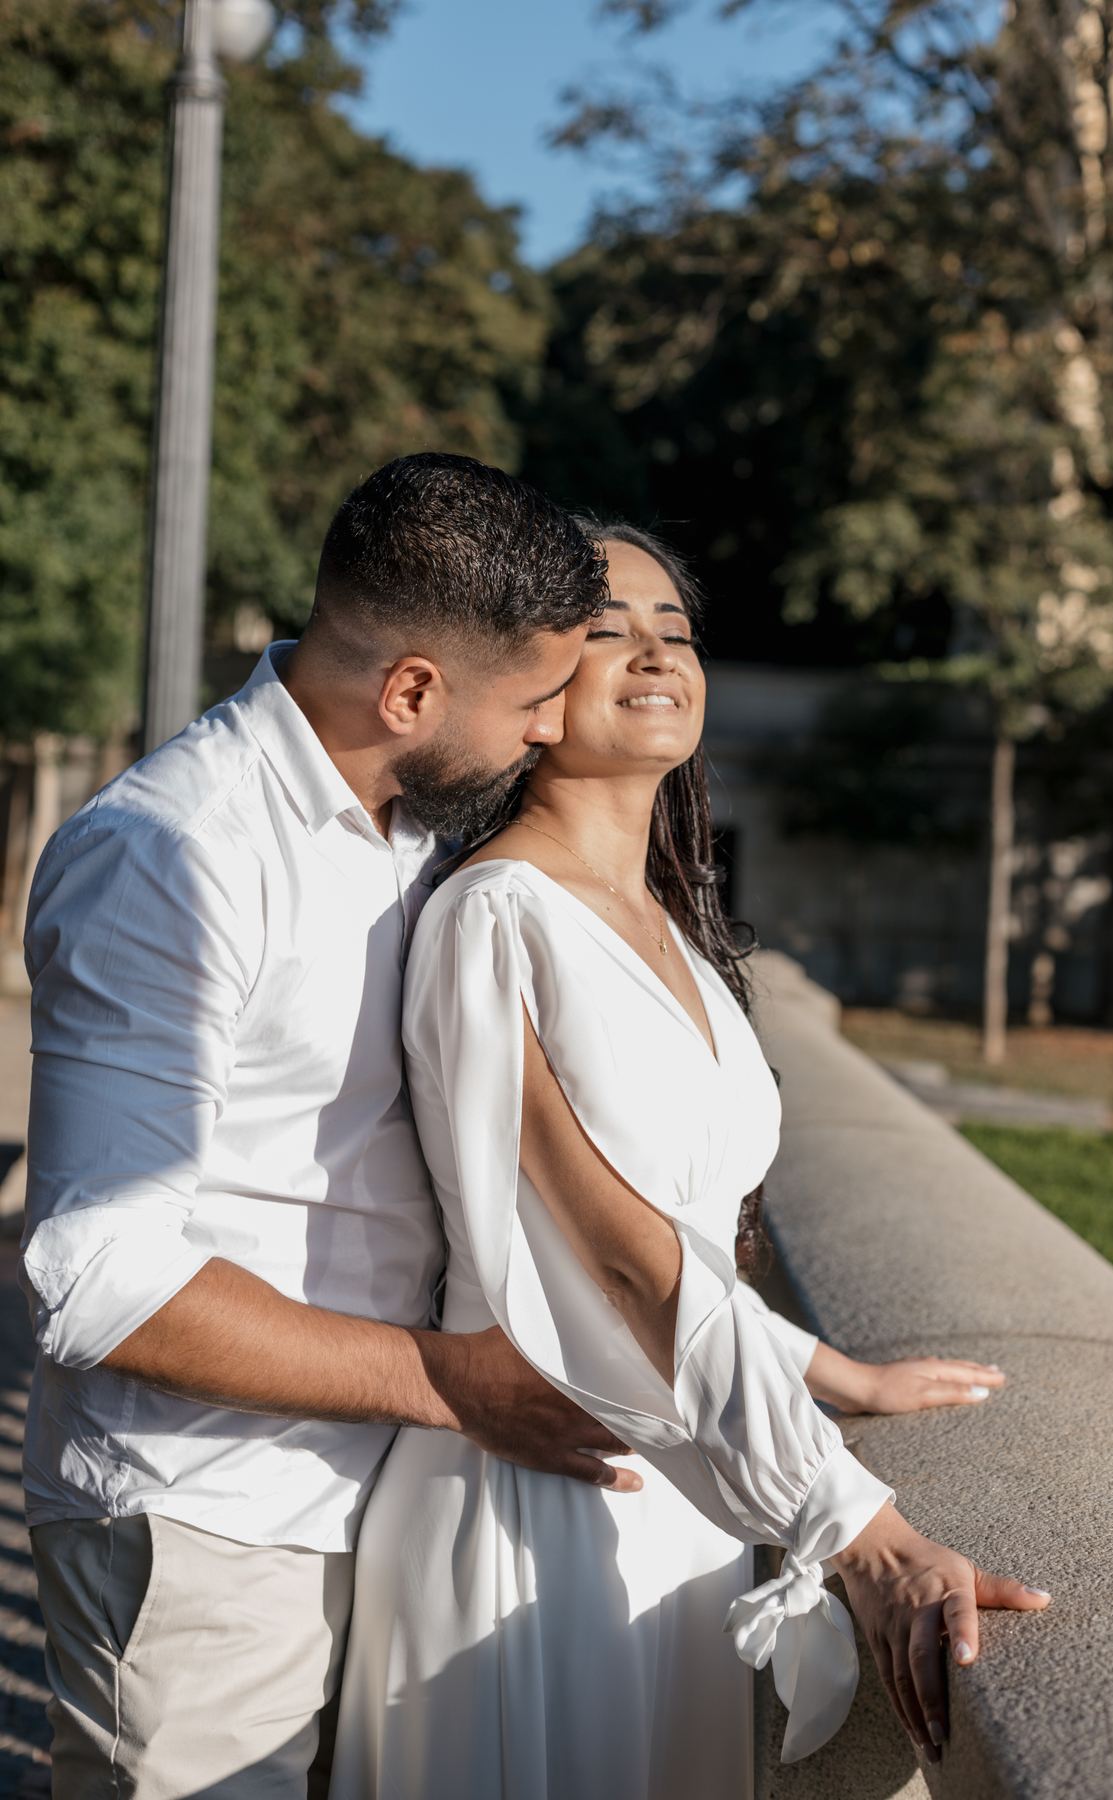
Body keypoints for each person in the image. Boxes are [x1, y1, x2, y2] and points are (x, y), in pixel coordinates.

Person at [329, 523, 1050, 1800]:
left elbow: (692, 1229)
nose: (654, 649)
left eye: (676, 627)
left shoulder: (667, 924)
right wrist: (863, 1534)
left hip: (684, 1505)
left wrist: (831, 1369)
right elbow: (615, 1253)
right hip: (534, 1499)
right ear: (535, 693)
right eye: (607, 627)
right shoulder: (494, 920)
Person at [19, 455, 648, 1799]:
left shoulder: (419, 829)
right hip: (208, 1525)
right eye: (535, 699)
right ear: (410, 690)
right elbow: (93, 1280)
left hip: (382, 1509)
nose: (551, 730)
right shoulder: (173, 855)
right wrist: (449, 1383)